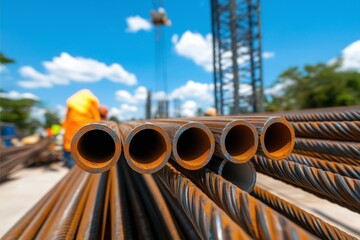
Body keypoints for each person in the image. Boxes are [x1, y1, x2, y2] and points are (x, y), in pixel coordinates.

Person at [62, 89, 108, 168]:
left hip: (69, 145)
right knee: (80, 173)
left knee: (74, 174)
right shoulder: (91, 106)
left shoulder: (76, 104)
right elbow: (96, 126)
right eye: (103, 116)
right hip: (80, 148)